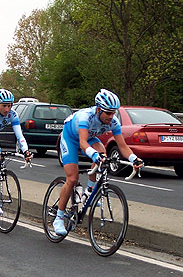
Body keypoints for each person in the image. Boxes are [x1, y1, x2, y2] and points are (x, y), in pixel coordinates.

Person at [53, 88, 143, 236]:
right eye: (108, 113)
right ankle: (59, 217)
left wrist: (134, 159)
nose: (111, 116)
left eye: (114, 112)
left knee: (103, 153)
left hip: (89, 139)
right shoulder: (85, 117)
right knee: (72, 178)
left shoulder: (113, 122)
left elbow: (122, 146)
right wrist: (94, 155)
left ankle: (89, 190)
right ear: (99, 109)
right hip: (71, 139)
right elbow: (82, 143)